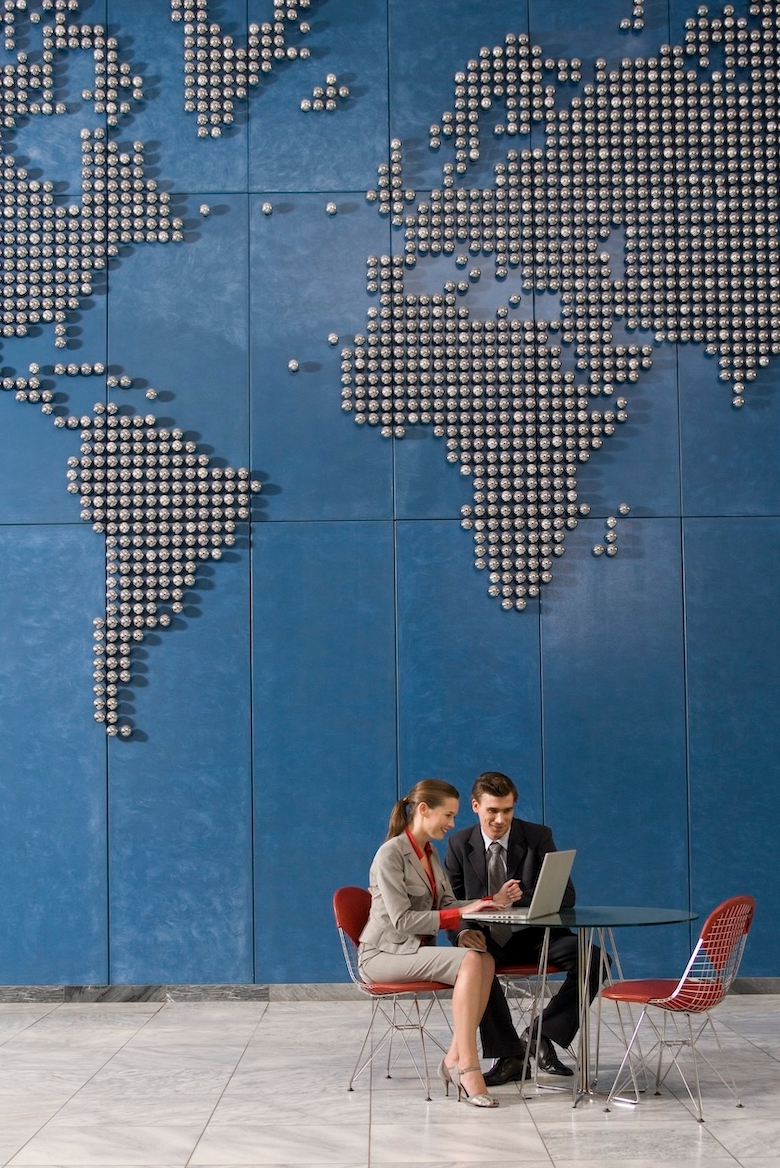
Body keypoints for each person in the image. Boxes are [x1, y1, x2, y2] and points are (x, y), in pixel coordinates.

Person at [359, 778, 520, 1108]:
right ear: (423, 810)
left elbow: (447, 903)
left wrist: (491, 900)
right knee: (472, 961)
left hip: (413, 952)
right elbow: (401, 920)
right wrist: (461, 913)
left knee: (484, 959)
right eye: (447, 815)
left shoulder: (429, 854)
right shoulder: (390, 855)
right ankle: (467, 1068)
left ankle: (452, 1059)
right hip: (382, 955)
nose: (452, 823)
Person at [444, 770, 604, 1086]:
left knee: (595, 958)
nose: (501, 819)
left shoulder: (537, 837)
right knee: (475, 963)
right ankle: (510, 1057)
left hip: (536, 937)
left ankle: (541, 1034)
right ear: (476, 806)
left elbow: (567, 896)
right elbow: (450, 903)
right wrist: (462, 932)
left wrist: (517, 899)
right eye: (493, 811)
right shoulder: (459, 844)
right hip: (486, 939)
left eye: (507, 810)